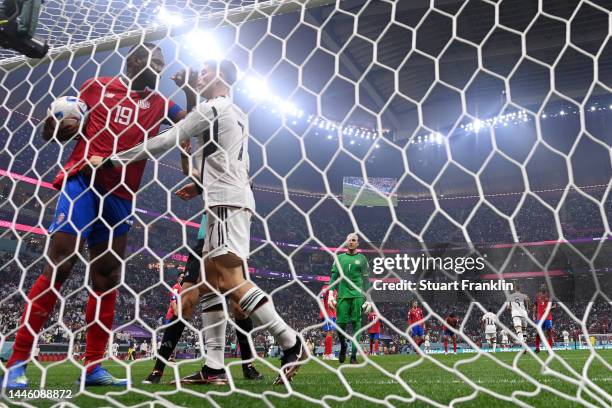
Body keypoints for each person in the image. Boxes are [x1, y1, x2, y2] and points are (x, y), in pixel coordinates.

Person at [93, 59, 305, 386]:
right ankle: (214, 367)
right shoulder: (237, 113)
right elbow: (231, 160)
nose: (199, 74)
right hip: (228, 197)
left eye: (204, 71)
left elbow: (167, 139)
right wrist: (203, 183)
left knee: (231, 280)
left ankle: (291, 342)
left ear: (220, 76)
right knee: (210, 287)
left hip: (224, 202)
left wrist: (113, 159)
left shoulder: (213, 109)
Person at [1, 42, 193, 389]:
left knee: (106, 277)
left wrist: (192, 91)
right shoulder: (97, 86)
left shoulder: (161, 102)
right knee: (60, 265)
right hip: (83, 183)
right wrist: (56, 126)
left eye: (163, 63)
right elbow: (55, 132)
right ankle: (17, 362)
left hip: (121, 195)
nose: (161, 68)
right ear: (135, 60)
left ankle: (92, 367)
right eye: (156, 60)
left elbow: (191, 123)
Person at [327, 233, 372, 364]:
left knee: (356, 323)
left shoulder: (363, 259)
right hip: (342, 295)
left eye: (354, 240)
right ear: (346, 243)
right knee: (341, 324)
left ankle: (353, 356)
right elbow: (334, 278)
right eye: (349, 240)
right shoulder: (339, 258)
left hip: (357, 296)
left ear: (357, 243)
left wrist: (368, 298)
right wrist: (330, 294)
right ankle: (343, 346)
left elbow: (366, 280)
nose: (351, 242)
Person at [534, 284, 555, 353]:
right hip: (539, 318)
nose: (543, 288)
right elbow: (535, 306)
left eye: (544, 287)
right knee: (538, 333)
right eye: (542, 287)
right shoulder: (537, 296)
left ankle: (550, 348)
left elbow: (554, 306)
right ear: (540, 288)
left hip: (548, 317)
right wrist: (534, 314)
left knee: (549, 332)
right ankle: (537, 348)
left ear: (546, 288)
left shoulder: (549, 296)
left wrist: (548, 308)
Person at [319, 284, 337, 360]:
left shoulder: (335, 290)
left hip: (333, 314)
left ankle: (328, 353)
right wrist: (323, 311)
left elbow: (335, 303)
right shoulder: (326, 287)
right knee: (329, 332)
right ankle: (327, 354)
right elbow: (321, 297)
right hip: (327, 313)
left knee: (331, 333)